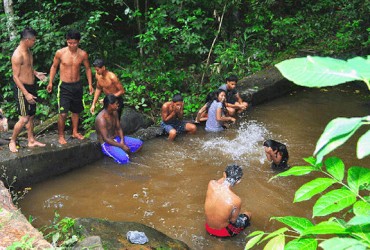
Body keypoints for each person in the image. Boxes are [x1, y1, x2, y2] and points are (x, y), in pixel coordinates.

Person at [47, 30, 94, 145]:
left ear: (78, 42)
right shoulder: (60, 53)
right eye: (69, 43)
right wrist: (50, 82)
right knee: (63, 113)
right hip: (64, 86)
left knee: (76, 111)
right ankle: (61, 136)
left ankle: (75, 132)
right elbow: (54, 67)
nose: (72, 45)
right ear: (66, 41)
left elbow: (88, 69)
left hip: (77, 85)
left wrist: (90, 84)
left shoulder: (83, 54)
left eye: (74, 43)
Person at [9, 27, 46, 153]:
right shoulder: (17, 55)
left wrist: (36, 74)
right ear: (27, 40)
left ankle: (31, 140)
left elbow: (28, 67)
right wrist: (26, 93)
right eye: (33, 40)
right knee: (24, 118)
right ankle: (12, 141)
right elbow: (15, 76)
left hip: (31, 86)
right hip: (22, 88)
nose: (34, 42)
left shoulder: (29, 52)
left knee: (31, 116)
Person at [204, 164, 252, 237]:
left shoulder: (211, 183)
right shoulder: (236, 200)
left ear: (224, 174)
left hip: (208, 228)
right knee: (248, 214)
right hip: (223, 232)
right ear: (238, 181)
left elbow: (221, 181)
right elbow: (233, 221)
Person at [95, 94, 143, 164]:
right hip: (107, 144)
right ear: (110, 105)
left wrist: (122, 141)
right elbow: (106, 139)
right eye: (116, 103)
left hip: (117, 138)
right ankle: (120, 158)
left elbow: (119, 128)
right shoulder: (101, 119)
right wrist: (122, 146)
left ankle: (126, 155)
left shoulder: (115, 112)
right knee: (124, 159)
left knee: (139, 144)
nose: (118, 105)